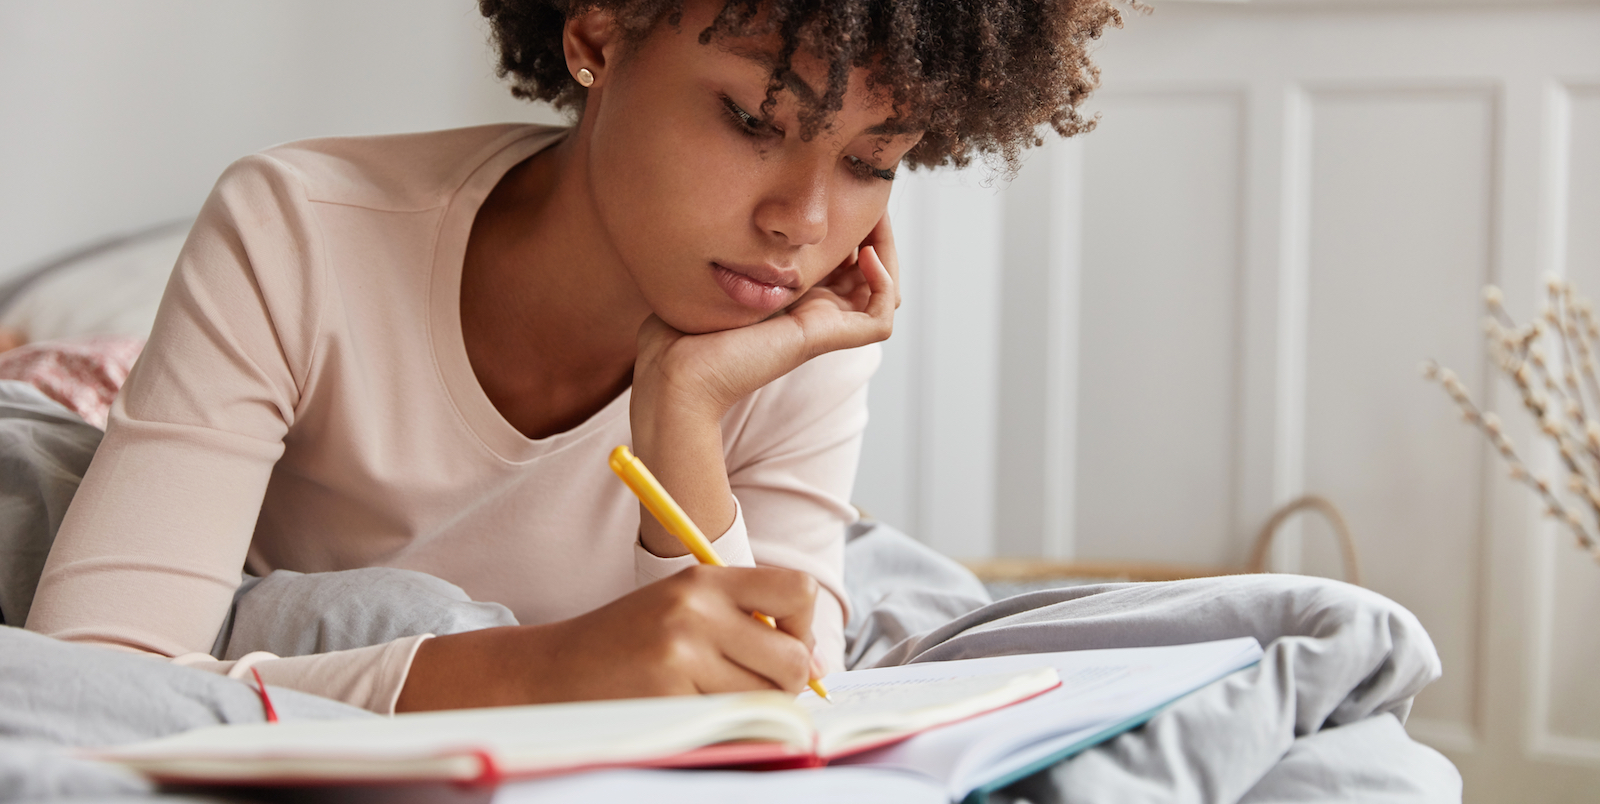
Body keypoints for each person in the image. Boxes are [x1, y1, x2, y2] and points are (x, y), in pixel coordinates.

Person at [25, 0, 1122, 714]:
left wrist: (682, 412)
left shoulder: (808, 323)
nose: (801, 220)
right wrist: (543, 672)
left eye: (875, 163)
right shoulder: (299, 230)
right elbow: (92, 689)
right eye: (750, 120)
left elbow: (783, 703)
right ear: (600, 32)